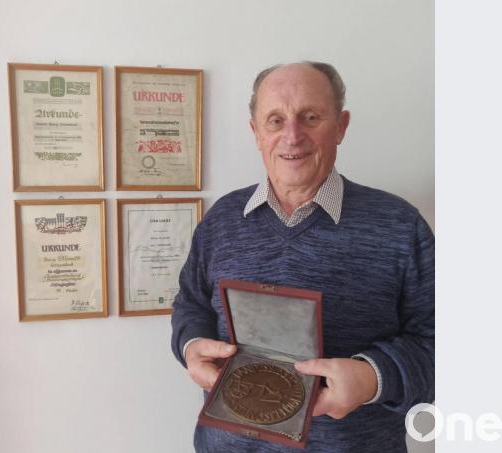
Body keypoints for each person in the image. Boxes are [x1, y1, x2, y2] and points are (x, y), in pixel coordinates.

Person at [170, 61, 434, 452]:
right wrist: (191, 345)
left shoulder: (399, 225)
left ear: (341, 126)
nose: (292, 136)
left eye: (310, 117)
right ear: (256, 133)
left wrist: (372, 377)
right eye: (275, 121)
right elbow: (190, 303)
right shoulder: (221, 220)